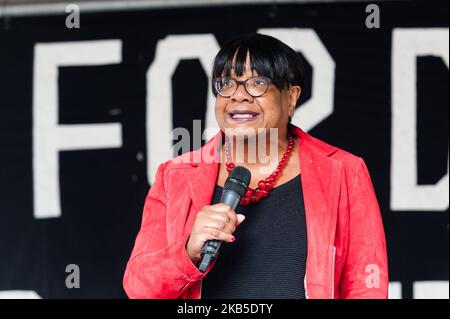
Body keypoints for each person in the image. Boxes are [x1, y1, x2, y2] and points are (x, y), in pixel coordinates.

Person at [123, 33, 388, 299]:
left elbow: (367, 286)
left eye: (257, 82)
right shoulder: (175, 176)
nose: (238, 95)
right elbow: (138, 288)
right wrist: (188, 251)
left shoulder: (344, 172)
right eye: (227, 83)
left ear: (291, 98)